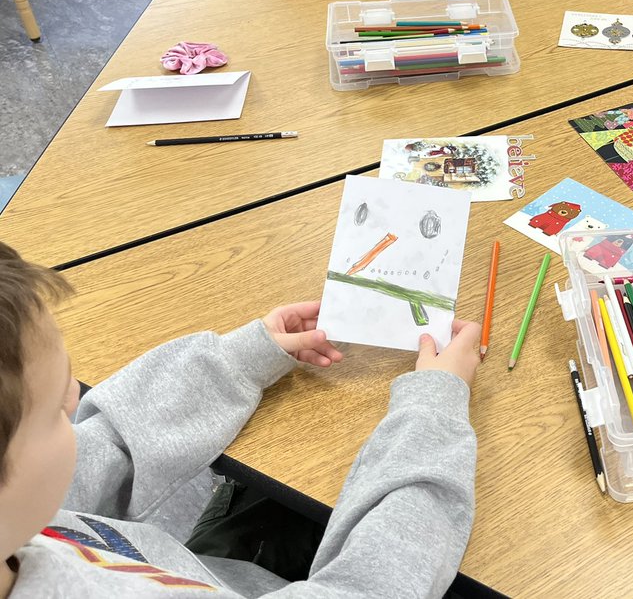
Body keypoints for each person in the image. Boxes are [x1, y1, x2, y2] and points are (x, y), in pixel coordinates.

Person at [0, 241, 482, 596]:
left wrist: (243, 359)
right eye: (54, 414)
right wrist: (432, 407)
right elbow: (374, 588)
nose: (76, 399)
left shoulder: (16, 522)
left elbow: (108, 453)